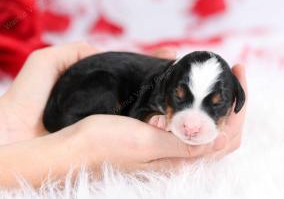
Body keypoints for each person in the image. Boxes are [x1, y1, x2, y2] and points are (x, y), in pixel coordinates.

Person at [0, 42, 247, 188]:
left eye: (215, 105)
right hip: (89, 87)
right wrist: (150, 117)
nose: (193, 124)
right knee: (106, 89)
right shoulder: (159, 83)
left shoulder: (169, 79)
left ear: (236, 100)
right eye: (180, 99)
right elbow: (139, 107)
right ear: (166, 87)